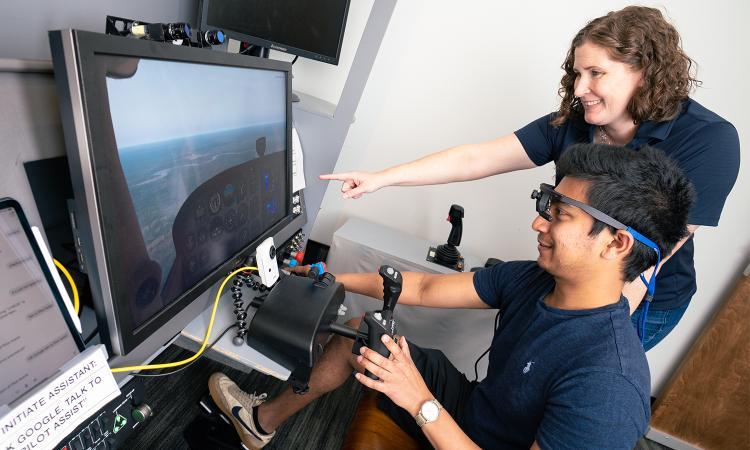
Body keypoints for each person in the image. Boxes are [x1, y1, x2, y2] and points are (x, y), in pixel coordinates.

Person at [208, 143, 695, 449]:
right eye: (545, 204)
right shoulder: (533, 279)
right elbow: (421, 286)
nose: (537, 222)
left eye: (559, 214)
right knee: (364, 333)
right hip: (474, 413)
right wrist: (326, 279)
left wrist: (419, 401)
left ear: (617, 242)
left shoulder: (609, 386)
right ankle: (260, 423)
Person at [320, 5, 740, 351]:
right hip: (567, 268)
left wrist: (586, 334)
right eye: (577, 74)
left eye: (596, 74)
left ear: (644, 72)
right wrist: (381, 177)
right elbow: (475, 158)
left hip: (645, 295)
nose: (579, 88)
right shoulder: (574, 123)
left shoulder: (709, 140)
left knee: (572, 378)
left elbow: (647, 261)